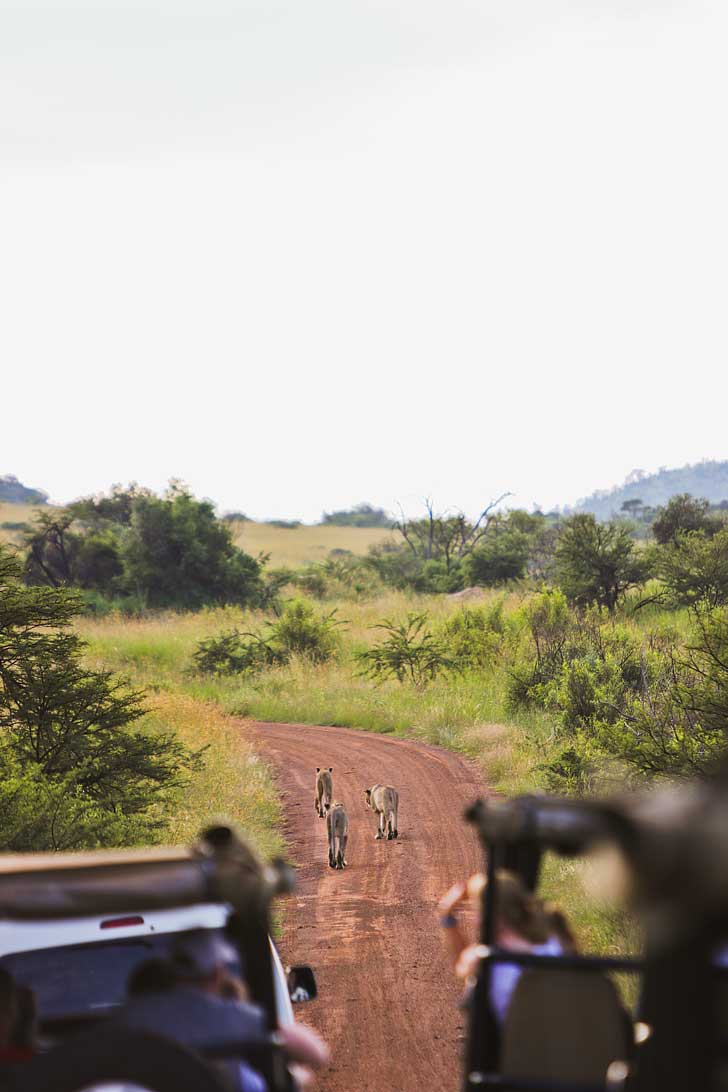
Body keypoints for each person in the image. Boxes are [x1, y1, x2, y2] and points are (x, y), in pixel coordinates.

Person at [437, 870, 573, 1025]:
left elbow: (461, 966)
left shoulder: (486, 958)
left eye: (477, 911)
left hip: (516, 1043)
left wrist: (448, 918)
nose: (475, 918)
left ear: (491, 914)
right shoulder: (555, 941)